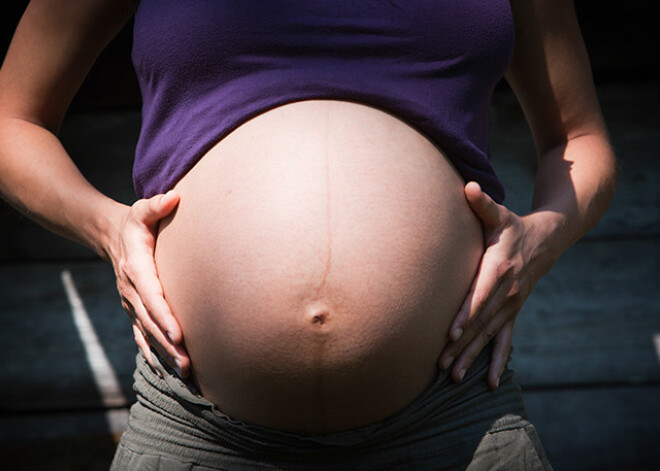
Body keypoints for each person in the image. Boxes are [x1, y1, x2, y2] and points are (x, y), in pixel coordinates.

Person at [0, 0, 616, 469]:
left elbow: (579, 139)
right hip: (195, 424)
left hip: (451, 419)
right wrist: (107, 227)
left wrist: (542, 240)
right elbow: (11, 119)